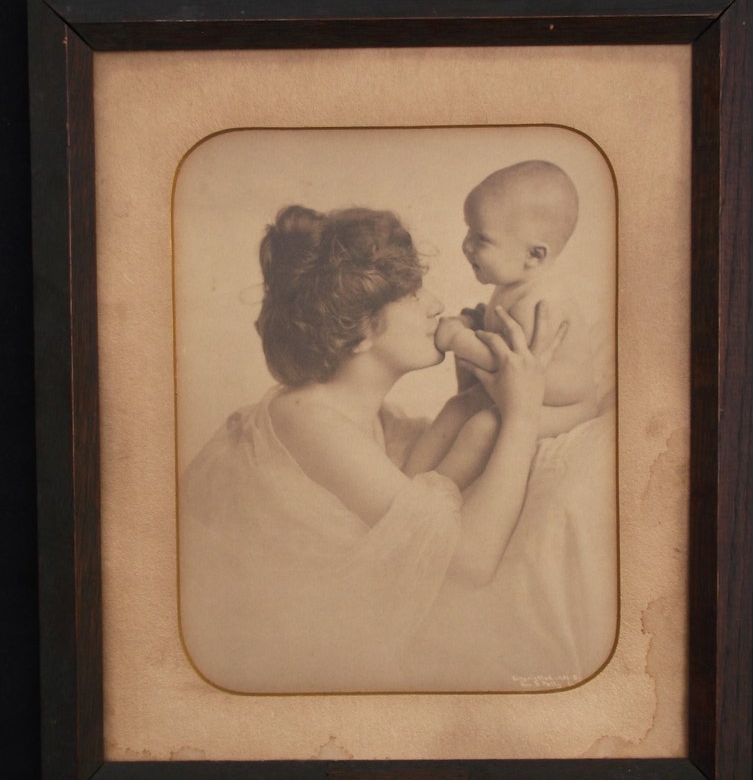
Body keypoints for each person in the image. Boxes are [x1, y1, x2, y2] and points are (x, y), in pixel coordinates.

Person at [178, 204, 566, 694]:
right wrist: (525, 414)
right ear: (359, 329)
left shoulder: (363, 417)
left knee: (483, 425)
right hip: (265, 661)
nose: (435, 304)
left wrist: (479, 396)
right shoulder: (306, 419)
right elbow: (467, 562)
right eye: (411, 293)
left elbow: (419, 502)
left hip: (307, 643)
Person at [434, 160, 600, 441]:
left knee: (483, 428)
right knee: (456, 407)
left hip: (564, 410)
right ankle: (405, 481)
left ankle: (443, 486)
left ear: (534, 255)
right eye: (468, 231)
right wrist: (474, 320)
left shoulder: (539, 303)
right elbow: (498, 330)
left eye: (482, 238)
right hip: (520, 394)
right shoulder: (515, 284)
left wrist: (458, 340)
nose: (466, 245)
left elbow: (510, 366)